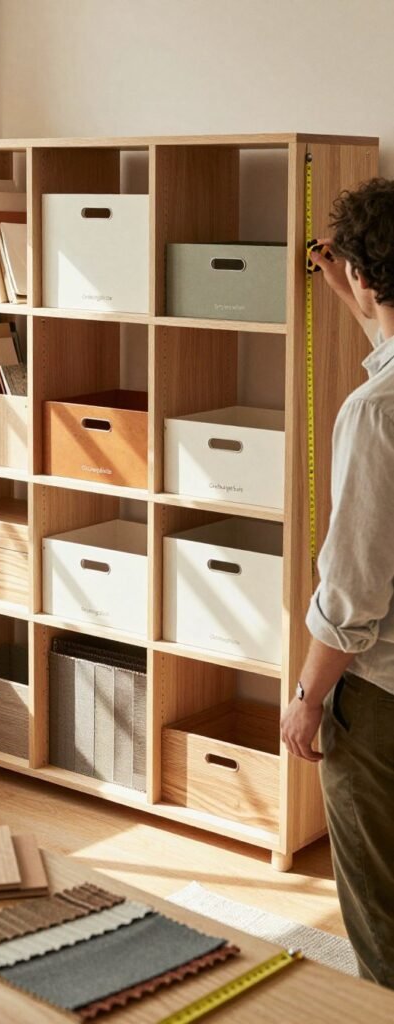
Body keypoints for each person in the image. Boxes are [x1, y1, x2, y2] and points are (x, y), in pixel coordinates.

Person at [280, 178, 394, 988]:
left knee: (380, 909)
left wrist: (307, 696)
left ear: (362, 272)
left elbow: (351, 591)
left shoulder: (372, 412)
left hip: (381, 699)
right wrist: (349, 292)